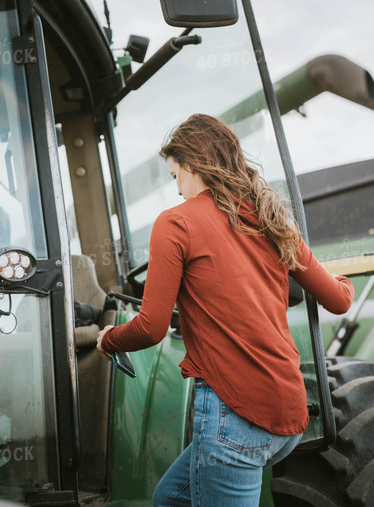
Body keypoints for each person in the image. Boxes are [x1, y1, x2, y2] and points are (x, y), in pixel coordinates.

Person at [96, 113, 354, 506]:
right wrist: (345, 278)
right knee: (170, 499)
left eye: (174, 176)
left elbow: (151, 328)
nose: (178, 190)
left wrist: (109, 339)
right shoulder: (273, 219)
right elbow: (338, 300)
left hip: (236, 421)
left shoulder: (175, 224)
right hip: (289, 418)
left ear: (191, 163)